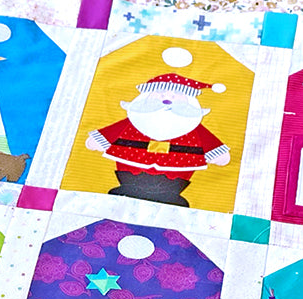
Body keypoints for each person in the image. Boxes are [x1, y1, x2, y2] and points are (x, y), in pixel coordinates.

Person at [86, 72, 229, 207]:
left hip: (175, 177)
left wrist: (217, 153)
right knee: (130, 181)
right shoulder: (136, 120)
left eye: (177, 95)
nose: (167, 98)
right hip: (130, 172)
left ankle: (171, 197)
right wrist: (99, 140)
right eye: (160, 92)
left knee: (171, 187)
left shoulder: (190, 125)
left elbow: (208, 141)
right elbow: (114, 131)